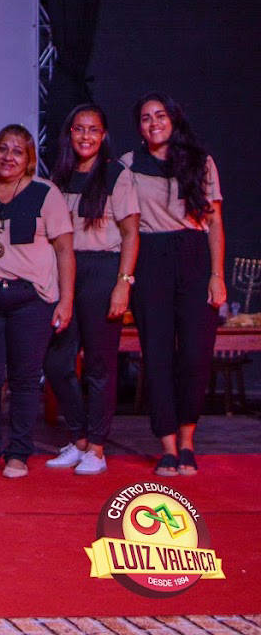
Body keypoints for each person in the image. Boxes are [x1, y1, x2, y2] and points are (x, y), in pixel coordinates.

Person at [121, 93, 225, 476]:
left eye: (160, 115)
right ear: (139, 127)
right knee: (157, 355)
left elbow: (215, 223)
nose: (154, 123)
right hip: (151, 257)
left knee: (196, 355)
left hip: (194, 256)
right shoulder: (128, 165)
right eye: (146, 118)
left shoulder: (201, 162)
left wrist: (217, 275)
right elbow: (125, 225)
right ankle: (166, 444)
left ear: (174, 119)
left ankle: (187, 440)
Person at [0, 124, 74, 478]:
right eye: (2, 149)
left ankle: (18, 452)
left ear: (29, 160)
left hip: (31, 299)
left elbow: (64, 250)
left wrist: (66, 300)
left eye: (17, 151)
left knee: (25, 378)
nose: (8, 157)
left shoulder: (45, 193)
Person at [44, 104, 140, 476]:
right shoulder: (60, 176)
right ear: (69, 133)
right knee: (56, 363)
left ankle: (97, 448)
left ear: (103, 135)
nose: (86, 136)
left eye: (93, 130)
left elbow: (131, 234)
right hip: (66, 272)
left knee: (99, 365)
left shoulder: (116, 175)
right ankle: (80, 438)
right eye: (79, 129)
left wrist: (123, 284)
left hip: (103, 270)